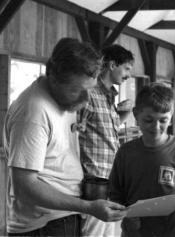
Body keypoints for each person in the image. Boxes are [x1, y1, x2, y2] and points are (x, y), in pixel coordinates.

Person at [2, 38, 126, 236]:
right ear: (52, 76)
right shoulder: (33, 112)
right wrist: (87, 207)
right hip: (43, 225)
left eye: (90, 90)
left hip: (61, 217)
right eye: (78, 90)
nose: (86, 100)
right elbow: (24, 187)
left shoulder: (63, 99)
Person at [109, 83, 175, 237]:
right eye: (148, 120)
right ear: (136, 115)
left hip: (174, 232)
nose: (156, 127)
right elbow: (115, 194)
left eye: (163, 120)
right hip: (135, 233)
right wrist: (124, 214)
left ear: (172, 117)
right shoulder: (125, 152)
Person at [78, 44, 134, 236]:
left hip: (110, 178)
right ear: (112, 65)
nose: (128, 75)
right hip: (93, 181)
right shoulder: (89, 94)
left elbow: (104, 132)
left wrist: (123, 114)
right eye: (126, 68)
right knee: (93, 233)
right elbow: (75, 133)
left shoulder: (109, 97)